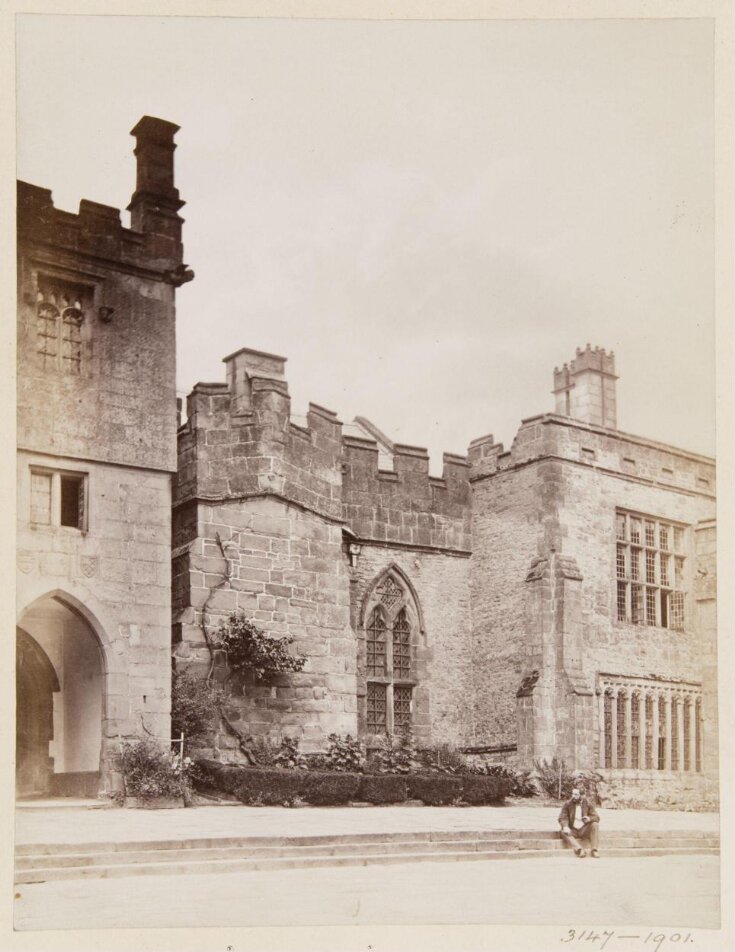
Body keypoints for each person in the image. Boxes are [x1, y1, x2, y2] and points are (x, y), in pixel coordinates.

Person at [558, 786, 600, 858]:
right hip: (573, 830)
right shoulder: (568, 804)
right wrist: (565, 826)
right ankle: (579, 849)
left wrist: (589, 818)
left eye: (576, 794)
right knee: (562, 831)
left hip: (584, 829)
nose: (573, 796)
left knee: (595, 825)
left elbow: (597, 817)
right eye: (573, 794)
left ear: (582, 796)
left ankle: (594, 850)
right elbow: (562, 817)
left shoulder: (588, 804)